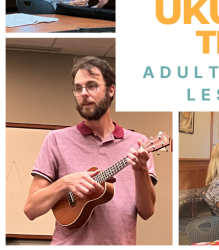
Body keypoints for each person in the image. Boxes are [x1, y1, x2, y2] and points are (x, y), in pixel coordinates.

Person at [24, 57, 156, 245]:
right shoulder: (56, 140)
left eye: (92, 86)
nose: (84, 93)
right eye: (78, 88)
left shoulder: (138, 143)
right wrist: (64, 183)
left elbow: (147, 212)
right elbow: (31, 209)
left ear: (111, 90)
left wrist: (140, 169)